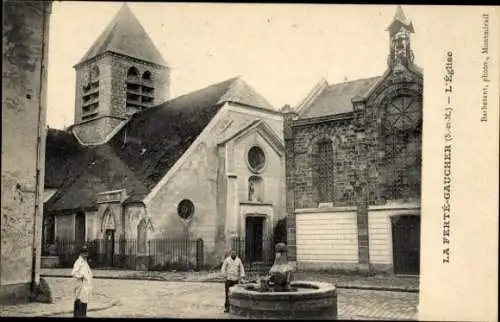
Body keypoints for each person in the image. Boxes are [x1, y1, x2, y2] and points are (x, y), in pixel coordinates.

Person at [71, 244, 93, 317]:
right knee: (79, 301)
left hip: (85, 286)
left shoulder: (84, 262)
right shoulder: (79, 262)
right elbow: (74, 272)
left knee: (84, 301)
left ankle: (83, 315)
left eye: (86, 252)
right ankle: (78, 316)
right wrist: (81, 276)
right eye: (84, 252)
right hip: (80, 285)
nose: (85, 254)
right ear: (81, 253)